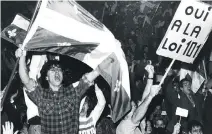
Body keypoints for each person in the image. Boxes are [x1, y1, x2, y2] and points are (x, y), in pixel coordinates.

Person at [15, 48, 113, 134]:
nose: (57, 72)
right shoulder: (40, 95)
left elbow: (88, 78)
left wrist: (106, 59)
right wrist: (22, 56)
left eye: (59, 70)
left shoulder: (73, 92)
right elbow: (26, 79)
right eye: (52, 70)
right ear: (46, 77)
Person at [116, 65, 161, 134]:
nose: (135, 107)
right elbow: (136, 116)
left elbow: (143, 101)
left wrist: (150, 77)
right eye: (132, 107)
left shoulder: (137, 121)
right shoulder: (124, 125)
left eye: (135, 106)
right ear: (124, 114)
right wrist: (151, 96)